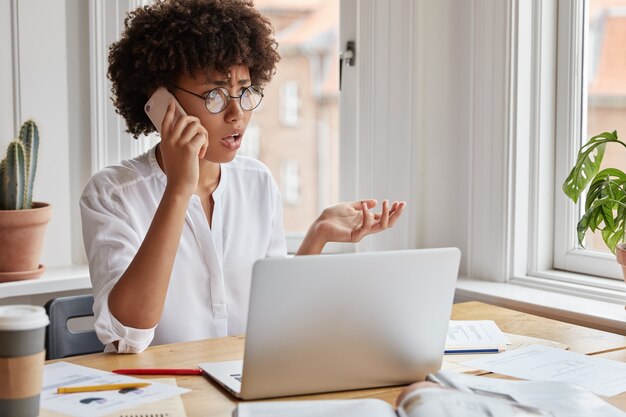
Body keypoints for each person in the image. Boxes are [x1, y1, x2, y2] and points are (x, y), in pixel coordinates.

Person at [80, 0, 406, 354]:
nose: (237, 113)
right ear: (162, 102)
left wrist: (318, 235)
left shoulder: (257, 182)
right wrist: (178, 189)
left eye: (245, 90)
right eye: (214, 95)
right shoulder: (112, 193)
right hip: (162, 395)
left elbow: (277, 319)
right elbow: (126, 335)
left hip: (240, 389)